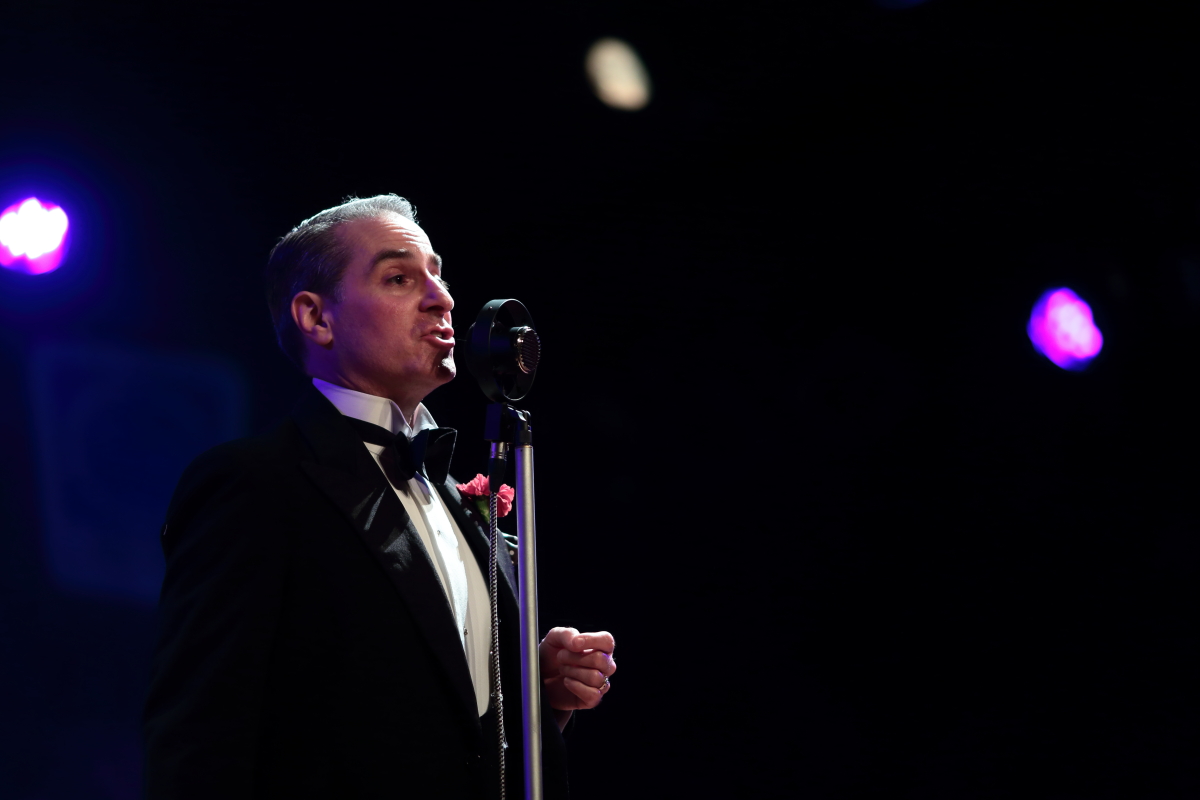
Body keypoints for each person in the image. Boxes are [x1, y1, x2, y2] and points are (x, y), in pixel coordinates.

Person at [143, 195, 616, 799]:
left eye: (438, 276)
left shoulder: (454, 497)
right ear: (317, 318)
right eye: (399, 277)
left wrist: (532, 698)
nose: (442, 298)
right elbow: (200, 737)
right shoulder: (253, 484)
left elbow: (445, 719)